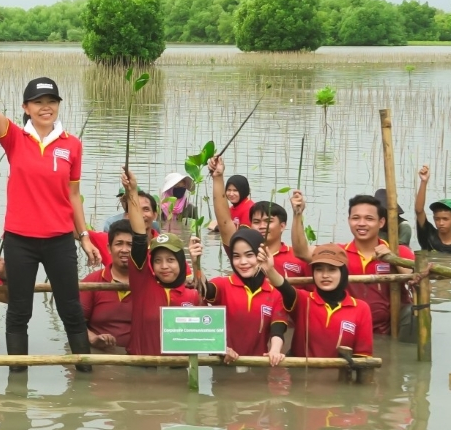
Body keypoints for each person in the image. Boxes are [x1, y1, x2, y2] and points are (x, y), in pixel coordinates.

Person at [0, 50, 100, 371]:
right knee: (19, 311)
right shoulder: (16, 138)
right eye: (38, 101)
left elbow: (74, 195)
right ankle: (17, 382)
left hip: (59, 239)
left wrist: (84, 237)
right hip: (20, 241)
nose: (46, 107)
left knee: (71, 309)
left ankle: (84, 374)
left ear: (58, 105)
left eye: (52, 101)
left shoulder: (72, 144)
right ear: (26, 108)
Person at [122, 171, 203, 356]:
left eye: (171, 260)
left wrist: (223, 349)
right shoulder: (143, 285)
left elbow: (206, 334)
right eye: (157, 261)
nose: (164, 266)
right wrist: (133, 191)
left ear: (182, 263)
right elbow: (140, 238)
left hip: (178, 372)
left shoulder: (191, 296)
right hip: (142, 369)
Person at [192, 226, 288, 366]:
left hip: (257, 366)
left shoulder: (275, 294)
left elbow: (277, 330)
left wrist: (275, 350)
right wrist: (196, 265)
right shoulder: (223, 285)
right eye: (236, 256)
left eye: (249, 255)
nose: (243, 262)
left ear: (261, 255)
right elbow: (204, 289)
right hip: (223, 364)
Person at [211, 156, 311, 281]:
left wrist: (298, 214)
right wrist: (218, 177)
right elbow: (224, 221)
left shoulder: (298, 257)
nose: (262, 226)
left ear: (282, 226)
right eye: (256, 222)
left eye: (268, 221)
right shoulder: (243, 256)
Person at [283, 244, 374, 360]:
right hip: (301, 374)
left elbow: (363, 357)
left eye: (332, 269)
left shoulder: (361, 308)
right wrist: (270, 269)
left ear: (343, 273)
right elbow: (282, 286)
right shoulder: (303, 300)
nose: (325, 275)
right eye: (319, 269)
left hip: (340, 376)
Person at [341, 194, 414, 336]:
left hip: (392, 326)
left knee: (415, 313)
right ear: (349, 221)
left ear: (381, 223)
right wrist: (298, 216)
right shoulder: (340, 253)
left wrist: (393, 259)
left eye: (369, 219)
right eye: (356, 218)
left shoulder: (400, 251)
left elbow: (416, 280)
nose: (361, 223)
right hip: (352, 324)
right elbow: (303, 253)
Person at [80, 220, 135, 352]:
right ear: (109, 248)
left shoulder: (150, 283)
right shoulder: (92, 282)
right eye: (119, 244)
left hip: (137, 356)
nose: (124, 250)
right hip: (99, 353)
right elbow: (75, 324)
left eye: (130, 244)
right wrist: (93, 339)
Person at [414, 166, 451, 254]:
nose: (441, 223)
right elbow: (419, 211)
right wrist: (423, 181)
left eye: (445, 219)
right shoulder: (428, 236)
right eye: (437, 219)